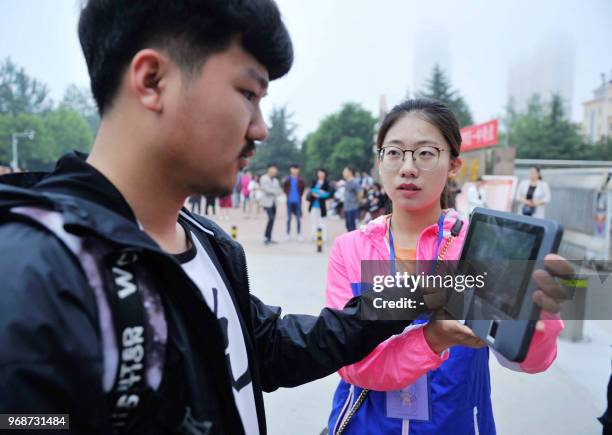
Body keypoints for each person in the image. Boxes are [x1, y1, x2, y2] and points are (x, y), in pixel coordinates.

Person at [0, 3, 424, 434]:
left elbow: (275, 348)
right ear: (152, 80)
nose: (261, 129)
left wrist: (415, 295)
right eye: (247, 94)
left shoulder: (206, 241)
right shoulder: (33, 273)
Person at [325, 99, 573, 435]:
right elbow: (351, 363)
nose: (408, 167)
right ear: (380, 160)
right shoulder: (350, 249)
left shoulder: (478, 247)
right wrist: (432, 339)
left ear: (454, 164)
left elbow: (526, 360)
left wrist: (539, 315)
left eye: (425, 153)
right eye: (394, 152)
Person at [260, 163, 283, 245]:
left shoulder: (276, 180)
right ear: (269, 169)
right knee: (271, 218)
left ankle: (269, 237)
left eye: (275, 170)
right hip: (267, 203)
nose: (274, 171)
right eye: (273, 170)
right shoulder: (263, 178)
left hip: (274, 203)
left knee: (272, 220)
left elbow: (280, 190)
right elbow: (266, 189)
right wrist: (275, 191)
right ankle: (266, 237)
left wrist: (275, 191)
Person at [307, 168, 332, 242]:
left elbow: (328, 194)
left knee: (322, 222)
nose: (320, 174)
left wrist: (319, 194)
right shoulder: (314, 181)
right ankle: (313, 237)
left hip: (322, 206)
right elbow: (311, 190)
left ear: (325, 174)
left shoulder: (326, 183)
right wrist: (320, 191)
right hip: (313, 205)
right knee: (313, 222)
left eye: (322, 173)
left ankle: (324, 237)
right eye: (319, 172)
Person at [283, 163, 305, 241]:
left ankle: (298, 234)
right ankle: (287, 234)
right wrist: (287, 194)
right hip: (289, 201)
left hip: (298, 201)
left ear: (298, 170)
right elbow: (284, 188)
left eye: (296, 168)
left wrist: (299, 196)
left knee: (298, 218)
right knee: (289, 218)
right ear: (290, 169)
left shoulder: (300, 180)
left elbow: (302, 189)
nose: (294, 170)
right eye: (293, 168)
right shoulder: (287, 179)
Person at [342, 166, 362, 232]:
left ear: (350, 172)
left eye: (345, 171)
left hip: (353, 208)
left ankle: (354, 242)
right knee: (348, 226)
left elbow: (360, 193)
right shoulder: (346, 182)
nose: (343, 173)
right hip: (346, 208)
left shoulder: (355, 182)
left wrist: (358, 202)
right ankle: (350, 242)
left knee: (353, 228)